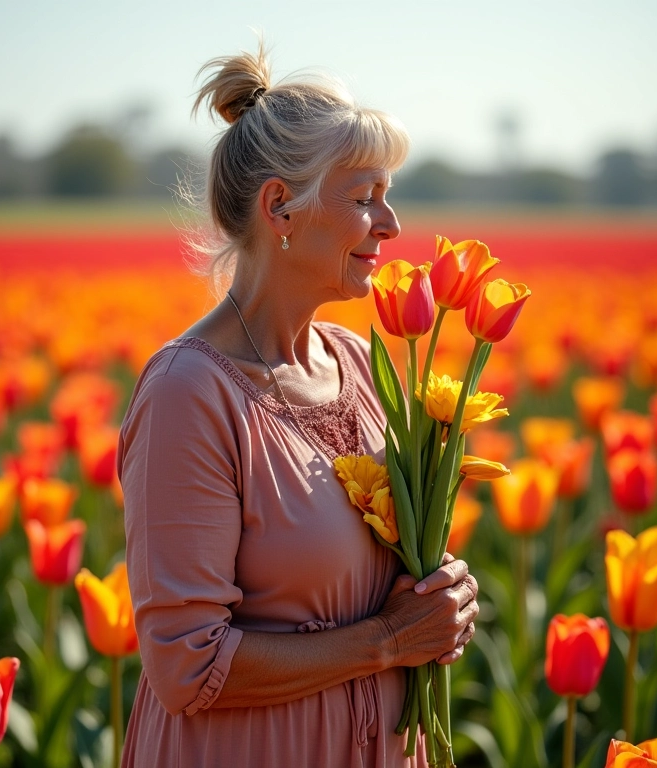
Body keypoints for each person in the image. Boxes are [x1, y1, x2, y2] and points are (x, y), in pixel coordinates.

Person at [118, 44, 479, 768]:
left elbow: (380, 583)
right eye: (364, 197)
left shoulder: (354, 363)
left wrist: (443, 594)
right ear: (280, 206)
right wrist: (389, 643)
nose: (390, 223)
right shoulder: (190, 393)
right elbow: (186, 666)